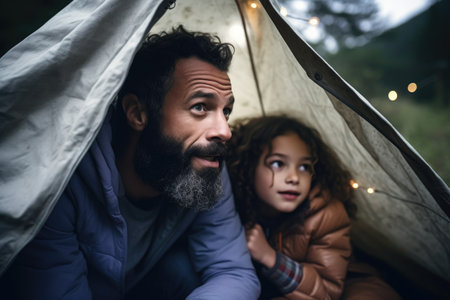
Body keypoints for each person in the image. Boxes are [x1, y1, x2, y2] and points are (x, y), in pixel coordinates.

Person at [1, 26, 260, 300]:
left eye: (226, 111)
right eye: (200, 107)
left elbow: (235, 273)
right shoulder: (60, 180)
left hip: (139, 287)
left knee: (182, 269)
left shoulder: (205, 166)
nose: (225, 131)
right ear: (138, 113)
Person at [226, 115, 401, 300]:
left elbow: (326, 292)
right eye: (278, 163)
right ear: (248, 166)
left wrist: (270, 257)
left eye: (304, 167)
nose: (293, 177)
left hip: (349, 289)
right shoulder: (232, 204)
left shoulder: (326, 213)